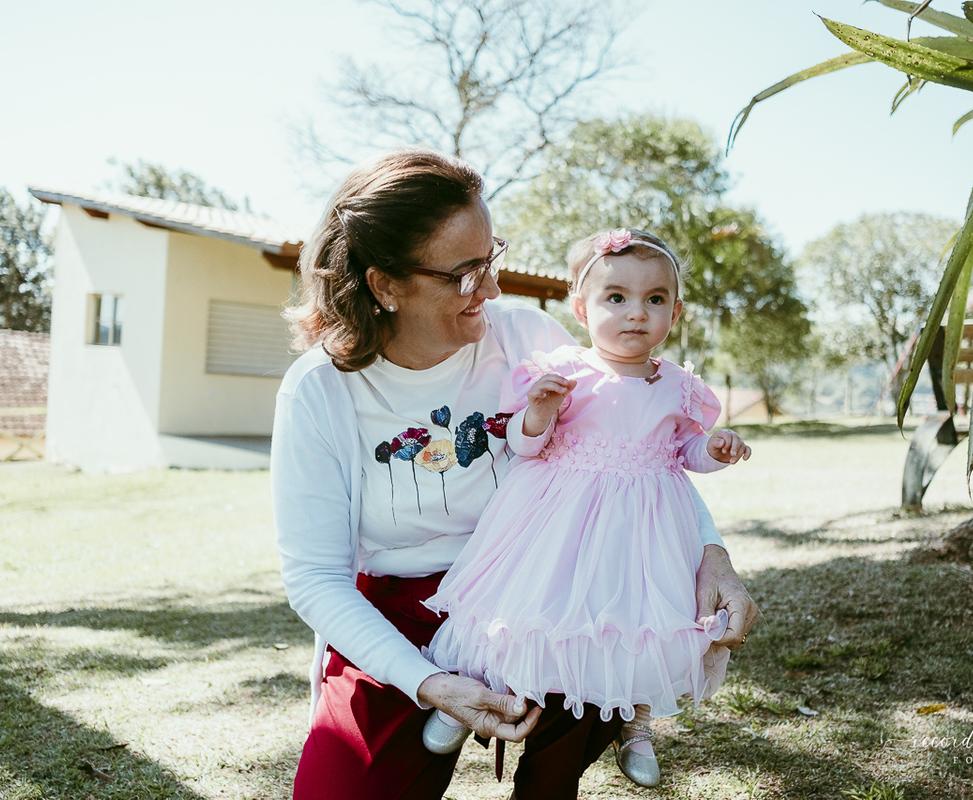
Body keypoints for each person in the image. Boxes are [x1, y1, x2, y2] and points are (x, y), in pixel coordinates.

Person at [272, 148, 759, 800]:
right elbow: (314, 579)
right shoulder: (319, 391)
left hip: (553, 592)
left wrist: (711, 555)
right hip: (395, 617)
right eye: (464, 274)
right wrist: (425, 680)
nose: (495, 289)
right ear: (385, 284)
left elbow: (632, 455)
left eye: (491, 259)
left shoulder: (527, 336)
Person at [419, 227, 751, 788]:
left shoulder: (679, 387)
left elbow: (682, 452)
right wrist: (540, 410)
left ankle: (632, 718)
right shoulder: (563, 369)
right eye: (615, 298)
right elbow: (525, 446)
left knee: (628, 622)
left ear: (675, 312)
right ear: (581, 307)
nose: (635, 314)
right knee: (528, 611)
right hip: (558, 523)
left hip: (640, 532)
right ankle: (464, 693)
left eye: (655, 300)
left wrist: (714, 449)